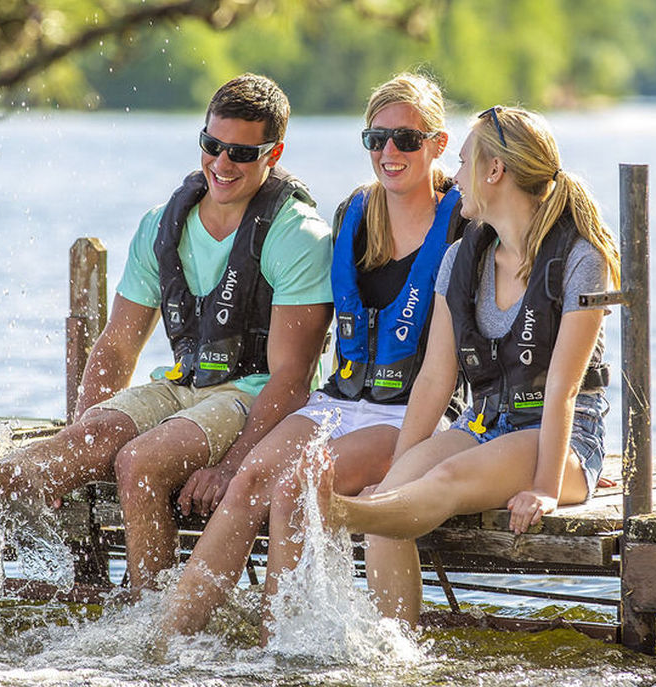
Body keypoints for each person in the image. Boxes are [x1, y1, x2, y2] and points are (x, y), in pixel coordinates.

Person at [0, 73, 334, 591]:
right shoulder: (161, 225)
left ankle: (151, 616)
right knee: (96, 436)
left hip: (253, 395)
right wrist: (82, 447)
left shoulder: (299, 237)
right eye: (212, 145)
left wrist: (232, 465)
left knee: (139, 460)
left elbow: (292, 381)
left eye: (242, 154)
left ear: (275, 152)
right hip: (183, 383)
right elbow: (115, 348)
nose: (222, 164)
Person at [159, 72, 467, 643]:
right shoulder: (354, 213)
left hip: (416, 412)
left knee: (301, 480)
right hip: (343, 398)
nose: (388, 153)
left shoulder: (466, 223)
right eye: (376, 139)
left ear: (439, 144)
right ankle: (168, 643)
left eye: (405, 139)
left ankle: (281, 646)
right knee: (250, 476)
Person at [305, 105, 620, 627]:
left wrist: (543, 487)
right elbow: (434, 378)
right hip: (486, 427)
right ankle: (394, 651)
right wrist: (396, 471)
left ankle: (343, 513)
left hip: (561, 443)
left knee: (445, 477)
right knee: (394, 500)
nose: (454, 174)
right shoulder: (460, 259)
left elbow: (563, 388)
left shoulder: (581, 259)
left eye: (464, 159)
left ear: (495, 171)